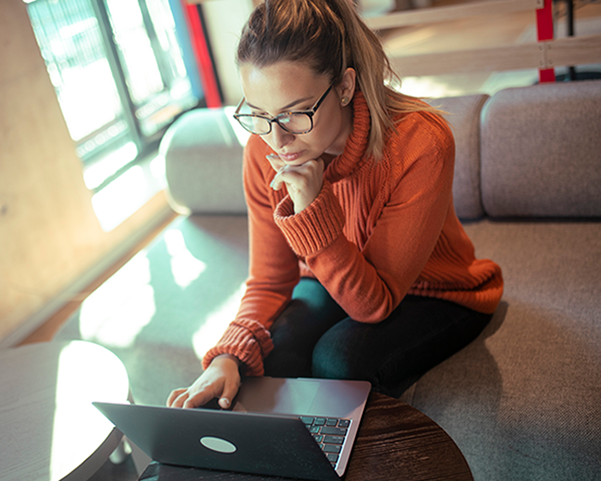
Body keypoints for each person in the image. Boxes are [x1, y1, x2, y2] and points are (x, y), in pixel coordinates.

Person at [167, 0, 503, 409]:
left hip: (434, 291)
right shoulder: (262, 149)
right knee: (274, 356)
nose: (278, 140)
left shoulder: (420, 143)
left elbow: (375, 303)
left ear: (345, 86)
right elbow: (270, 280)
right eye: (260, 115)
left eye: (295, 114)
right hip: (331, 277)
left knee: (339, 361)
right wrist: (227, 354)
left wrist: (311, 209)